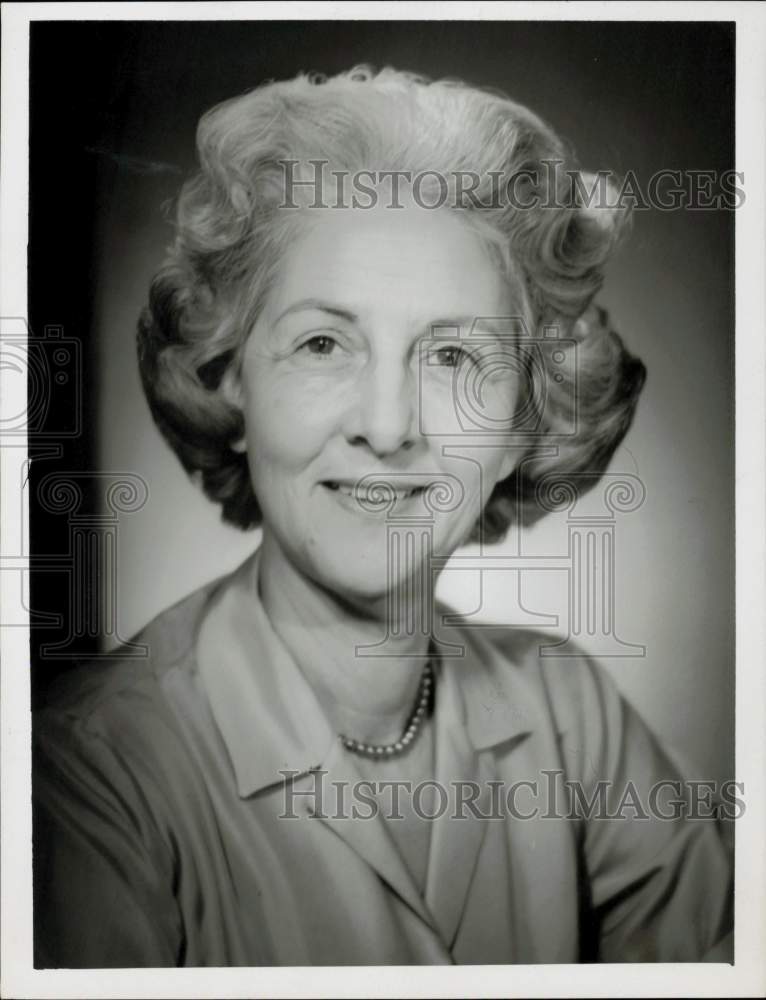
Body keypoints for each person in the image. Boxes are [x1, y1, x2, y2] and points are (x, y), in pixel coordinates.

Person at [33, 66, 732, 967]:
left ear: (527, 418)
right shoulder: (89, 773)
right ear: (229, 378)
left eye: (452, 356)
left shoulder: (570, 714)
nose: (390, 426)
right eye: (324, 344)